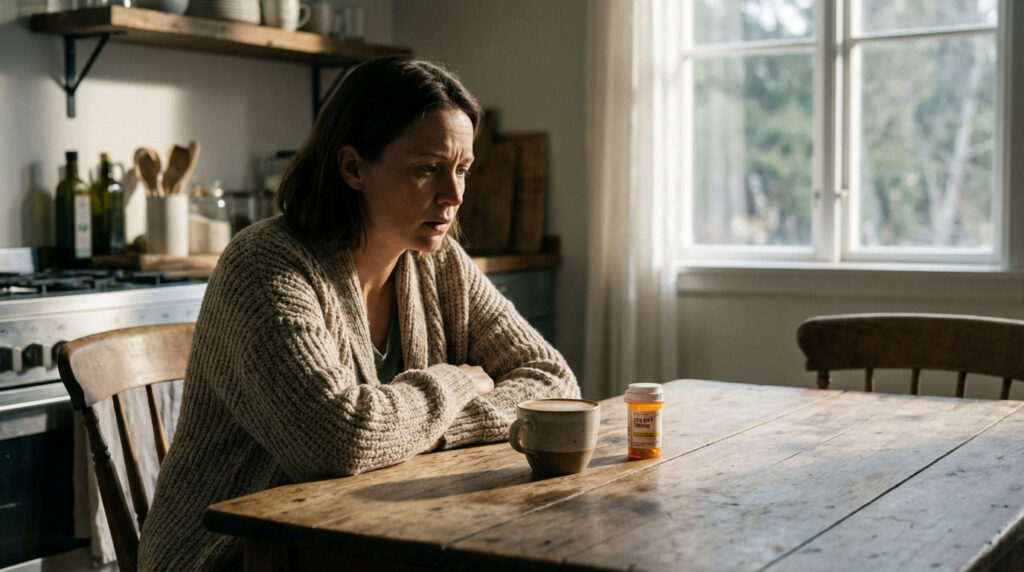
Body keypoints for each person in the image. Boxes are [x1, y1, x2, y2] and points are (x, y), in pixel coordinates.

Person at [137, 56, 579, 569]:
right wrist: (456, 383)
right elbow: (339, 440)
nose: (454, 195)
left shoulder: (438, 263)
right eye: (428, 169)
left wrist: (441, 429)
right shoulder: (265, 265)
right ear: (353, 168)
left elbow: (553, 382)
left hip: (369, 534)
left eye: (462, 170)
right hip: (234, 556)